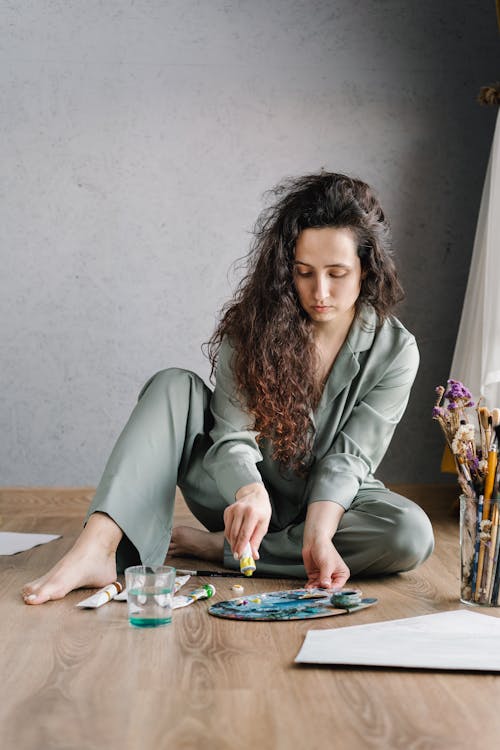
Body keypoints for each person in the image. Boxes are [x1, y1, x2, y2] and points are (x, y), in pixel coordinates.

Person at [22, 171, 434, 605]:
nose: (320, 292)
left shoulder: (396, 350)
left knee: (410, 534)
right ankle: (97, 549)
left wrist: (318, 536)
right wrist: (249, 490)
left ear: (367, 269)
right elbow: (231, 435)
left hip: (331, 503)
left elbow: (350, 460)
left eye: (337, 273)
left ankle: (218, 547)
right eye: (304, 273)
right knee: (171, 385)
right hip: (237, 499)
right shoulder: (254, 326)